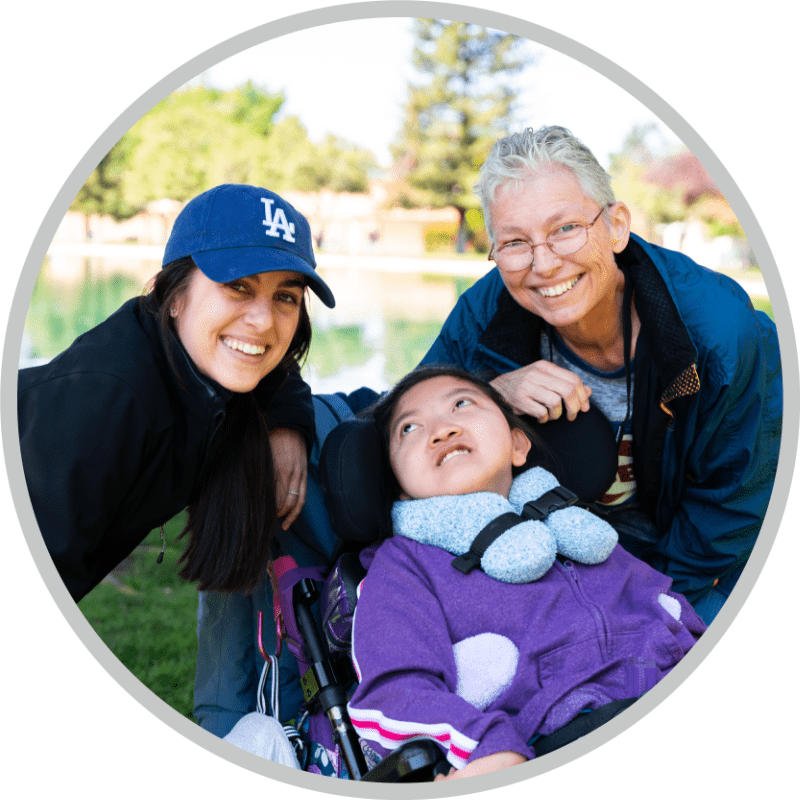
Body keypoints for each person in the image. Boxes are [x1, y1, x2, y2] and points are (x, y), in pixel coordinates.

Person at [419, 126, 782, 624]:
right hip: (544, 553)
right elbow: (410, 422)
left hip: (685, 558)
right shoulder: (484, 311)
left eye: (566, 228)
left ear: (616, 226)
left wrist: (641, 608)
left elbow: (733, 504)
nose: (543, 263)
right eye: (515, 242)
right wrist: (489, 395)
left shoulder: (719, 333)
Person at [346, 365, 707, 780]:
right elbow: (394, 693)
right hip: (553, 738)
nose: (442, 430)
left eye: (462, 404)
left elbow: (674, 613)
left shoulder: (574, 528)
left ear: (518, 445)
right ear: (400, 486)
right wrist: (486, 746)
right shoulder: (405, 566)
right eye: (409, 428)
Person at [18, 183, 335, 603]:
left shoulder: (199, 359)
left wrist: (288, 427)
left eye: (285, 297)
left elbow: (277, 364)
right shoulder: (106, 403)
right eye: (238, 286)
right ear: (174, 296)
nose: (263, 320)